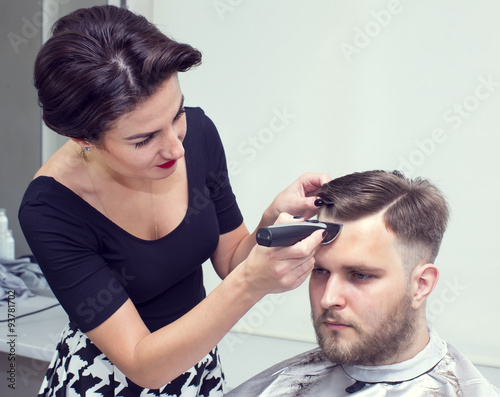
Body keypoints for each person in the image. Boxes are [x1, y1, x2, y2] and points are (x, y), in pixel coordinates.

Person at [18, 5, 330, 396]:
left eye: (176, 114)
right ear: (84, 139)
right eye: (143, 139)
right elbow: (141, 364)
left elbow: (232, 260)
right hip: (107, 380)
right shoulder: (51, 209)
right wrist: (253, 285)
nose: (175, 149)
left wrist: (274, 220)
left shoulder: (196, 134)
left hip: (197, 368)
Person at [227, 170, 500, 396]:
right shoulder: (274, 389)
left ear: (421, 285)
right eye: (320, 271)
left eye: (360, 275)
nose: (328, 298)